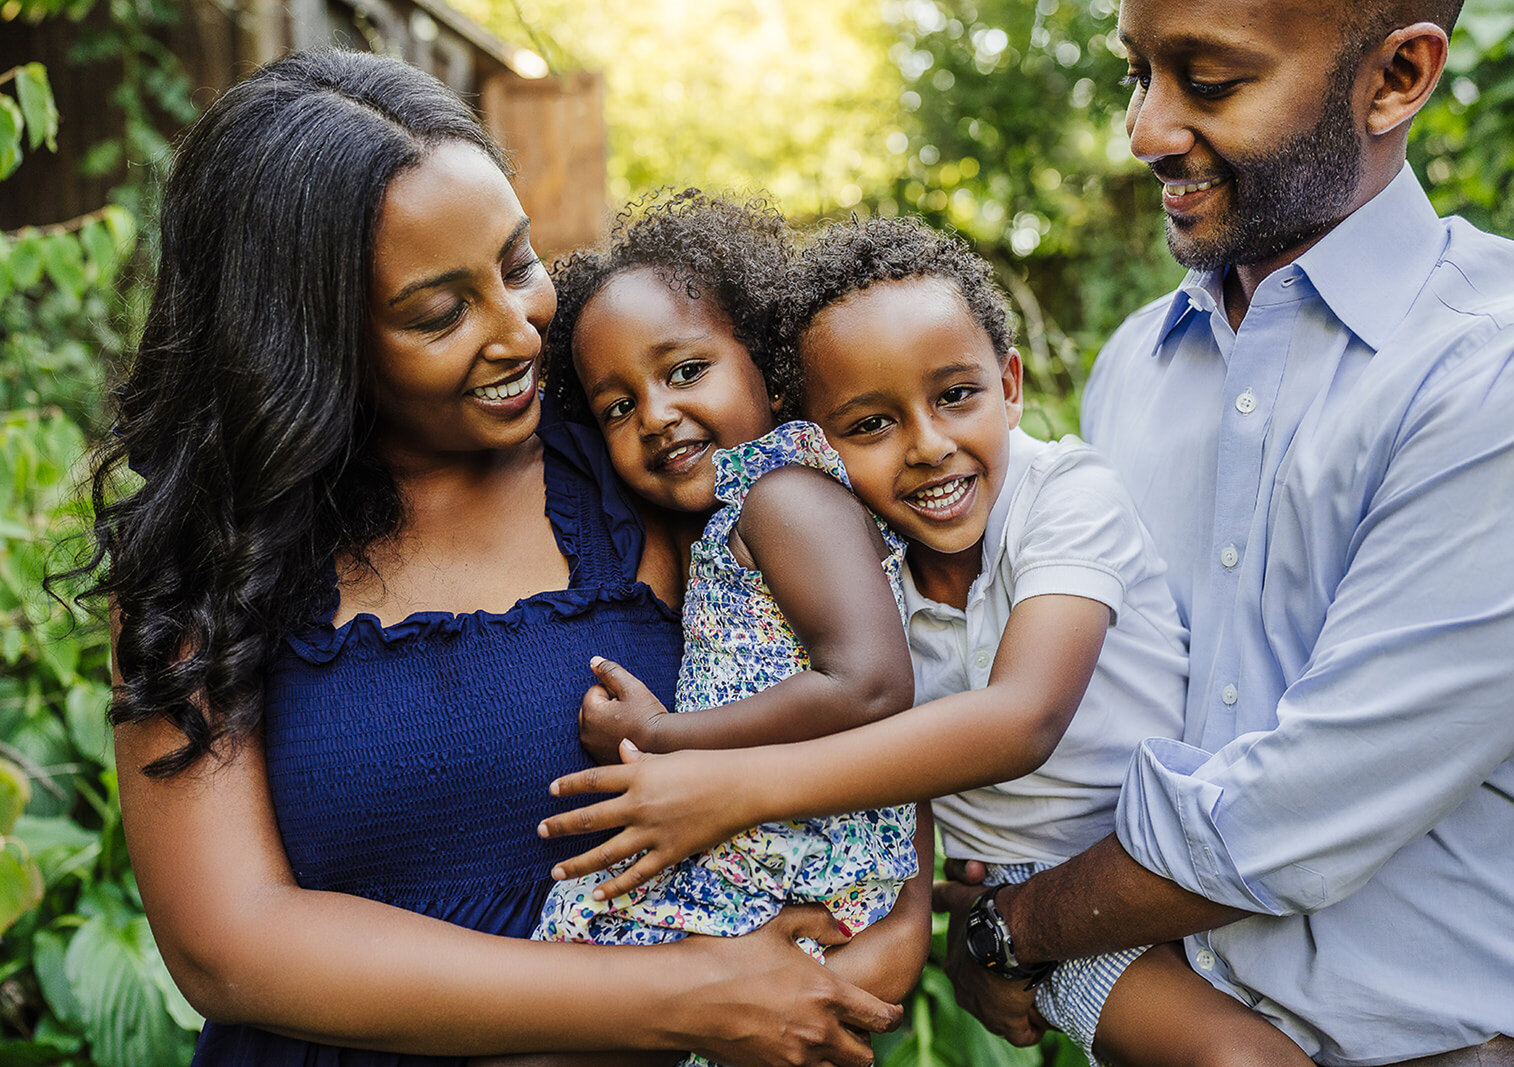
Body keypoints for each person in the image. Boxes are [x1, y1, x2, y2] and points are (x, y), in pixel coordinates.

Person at [79, 49, 903, 1066]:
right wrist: (679, 992)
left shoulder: (638, 462)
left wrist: (895, 924)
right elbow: (229, 945)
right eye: (440, 312)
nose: (519, 330)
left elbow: (871, 687)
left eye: (518, 264)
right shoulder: (208, 557)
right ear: (305, 339)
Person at [924, 0, 1514, 1063]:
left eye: (1210, 80)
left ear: (1397, 77)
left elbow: (1294, 812)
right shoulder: (1134, 369)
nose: (1144, 130)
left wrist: (1014, 929)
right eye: (1137, 73)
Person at [537, 214, 1313, 1065]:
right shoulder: (860, 553)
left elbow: (1021, 717)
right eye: (870, 425)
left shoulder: (1065, 499)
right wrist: (917, 899)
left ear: (1009, 385)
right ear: (819, 437)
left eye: (955, 396)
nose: (928, 447)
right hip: (1043, 899)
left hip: (1160, 858)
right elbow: (884, 754)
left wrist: (707, 770)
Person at [531, 190, 930, 1032]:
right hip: (777, 853)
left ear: (763, 358)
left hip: (801, 863)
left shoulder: (784, 497)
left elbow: (871, 685)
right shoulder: (735, 518)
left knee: (560, 997)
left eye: (685, 371)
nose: (657, 415)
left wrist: (665, 737)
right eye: (617, 405)